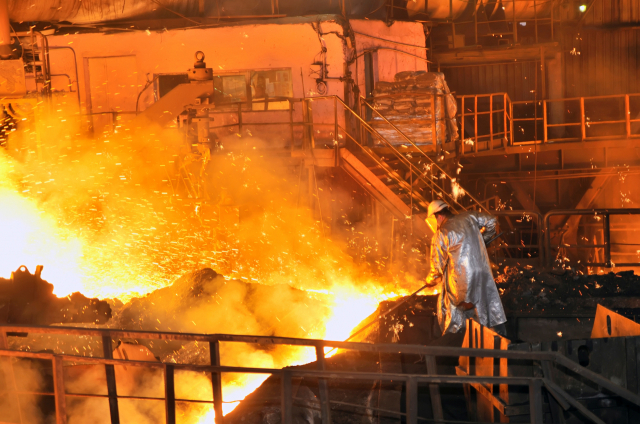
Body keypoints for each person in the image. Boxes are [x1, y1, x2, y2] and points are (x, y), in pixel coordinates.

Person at [425, 200, 507, 341]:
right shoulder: (469, 216)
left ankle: (457, 339)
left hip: (460, 280)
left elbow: (436, 268)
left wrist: (429, 281)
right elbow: (492, 221)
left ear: (437, 216)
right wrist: (483, 239)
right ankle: (493, 339)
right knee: (483, 304)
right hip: (482, 273)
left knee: (455, 308)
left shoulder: (441, 233)